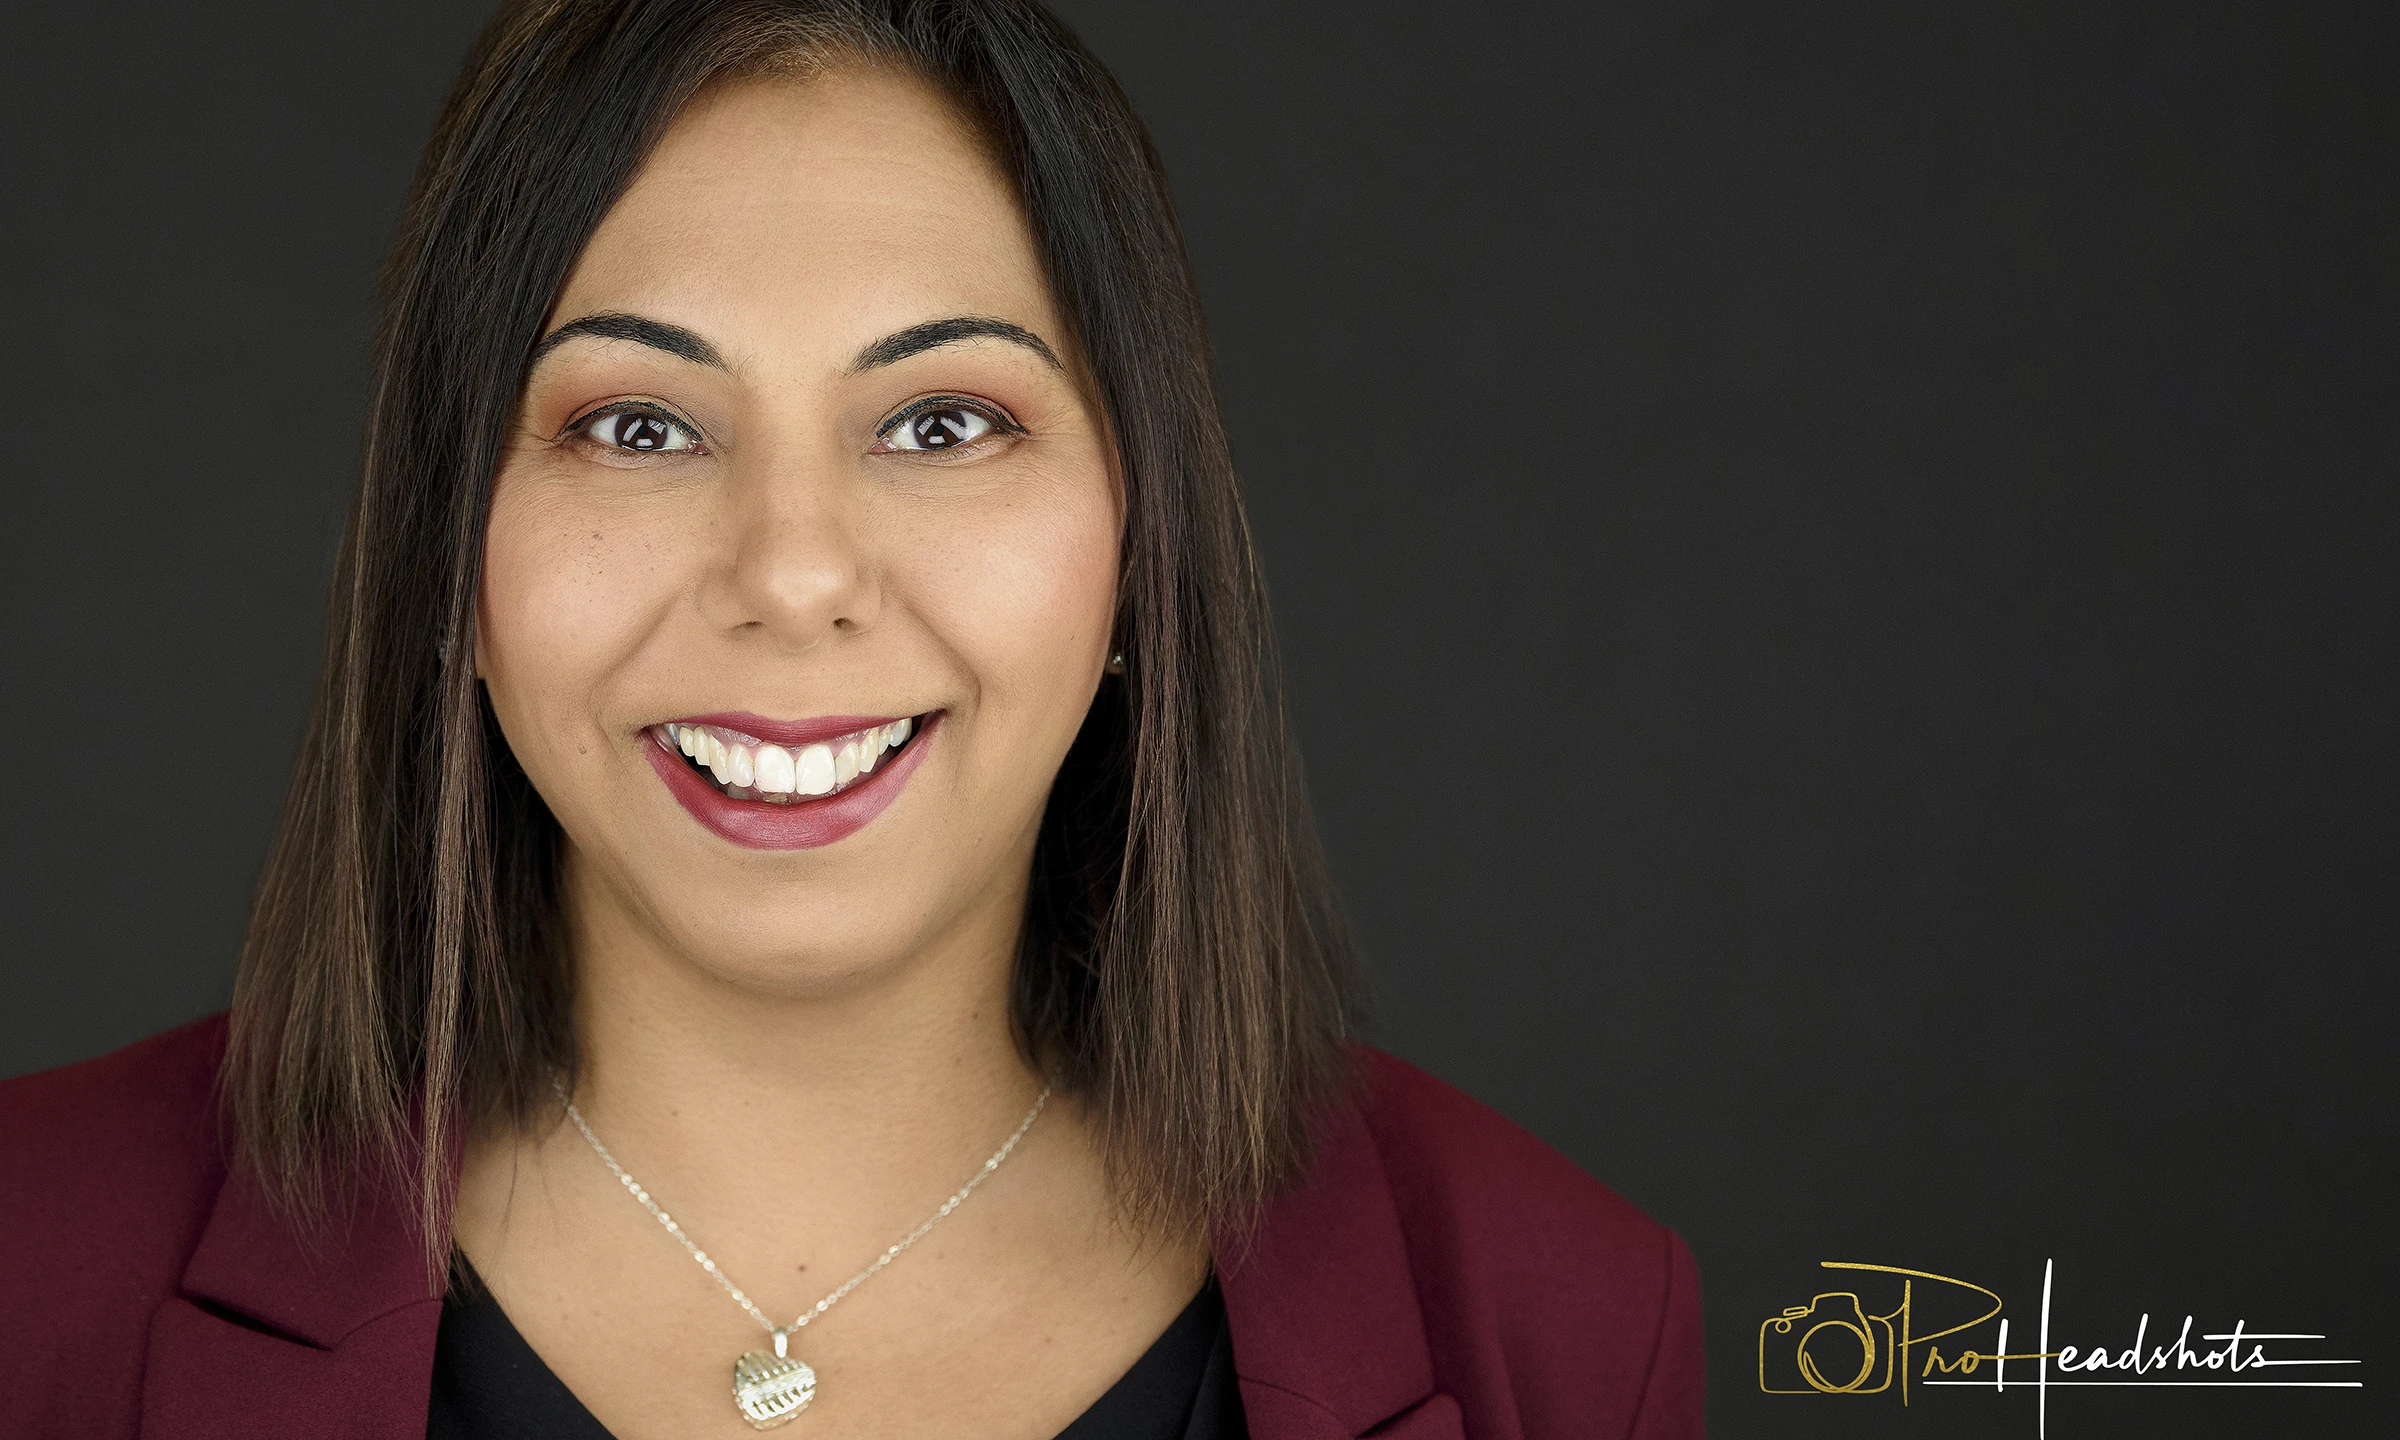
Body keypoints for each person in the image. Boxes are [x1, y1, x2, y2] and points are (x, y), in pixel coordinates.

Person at [0, 2, 1703, 1436]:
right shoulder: (31, 1256)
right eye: (641, 426)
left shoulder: (1561, 1320)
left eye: (944, 420)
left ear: (1140, 531)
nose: (794, 573)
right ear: (451, 540)